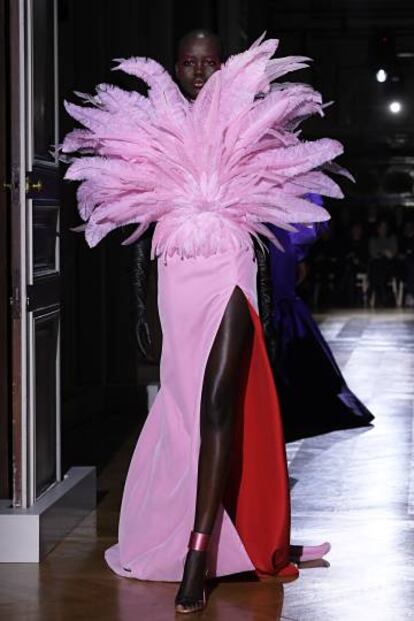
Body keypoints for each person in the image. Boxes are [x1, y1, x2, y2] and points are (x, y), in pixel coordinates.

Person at [62, 30, 346, 614]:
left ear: (224, 66)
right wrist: (142, 309)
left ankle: (199, 552)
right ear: (175, 68)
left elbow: (275, 218)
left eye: (208, 61)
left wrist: (267, 309)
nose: (197, 70)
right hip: (176, 274)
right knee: (186, 405)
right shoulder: (152, 126)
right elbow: (135, 232)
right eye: (188, 62)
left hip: (231, 270)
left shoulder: (250, 118)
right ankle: (192, 530)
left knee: (218, 401)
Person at [266, 207, 374, 441]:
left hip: (273, 237)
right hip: (249, 235)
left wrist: (297, 252)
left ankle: (283, 404)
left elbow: (304, 200)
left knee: (279, 305)